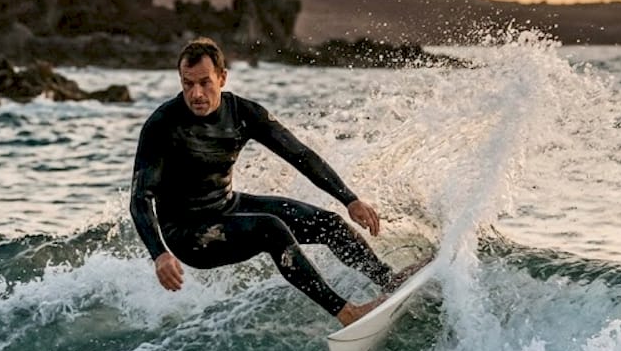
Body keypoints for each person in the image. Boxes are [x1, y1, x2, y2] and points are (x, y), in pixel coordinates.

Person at [129, 37, 415, 327]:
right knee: (270, 228)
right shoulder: (162, 125)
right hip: (188, 234)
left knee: (329, 222)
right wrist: (160, 254)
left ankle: (388, 280)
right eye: (188, 84)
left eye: (205, 82)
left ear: (222, 77)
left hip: (227, 206)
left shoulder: (243, 113)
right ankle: (347, 314)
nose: (197, 94)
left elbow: (299, 154)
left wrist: (349, 198)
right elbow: (140, 198)